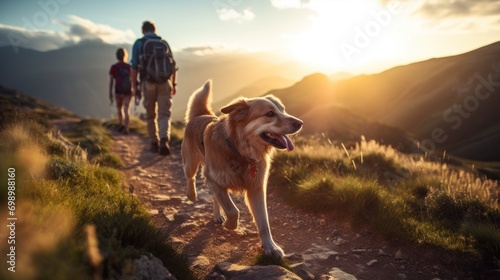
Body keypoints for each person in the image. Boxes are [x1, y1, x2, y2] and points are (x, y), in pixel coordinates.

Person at [131, 20, 177, 156]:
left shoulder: (139, 43)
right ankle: (164, 140)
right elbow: (173, 66)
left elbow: (134, 67)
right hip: (165, 83)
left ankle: (153, 142)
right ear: (154, 30)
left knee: (151, 115)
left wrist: (135, 87)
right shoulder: (164, 43)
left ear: (143, 31)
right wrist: (173, 84)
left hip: (148, 83)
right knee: (164, 114)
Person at [109, 48, 132, 134]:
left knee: (119, 109)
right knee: (127, 110)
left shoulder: (114, 67)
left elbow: (111, 81)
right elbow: (132, 79)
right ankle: (126, 128)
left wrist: (110, 93)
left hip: (118, 91)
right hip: (128, 91)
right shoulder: (129, 67)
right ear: (125, 55)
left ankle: (121, 124)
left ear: (116, 56)